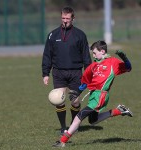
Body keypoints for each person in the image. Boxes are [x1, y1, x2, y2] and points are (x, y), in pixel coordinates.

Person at [52, 40, 133, 147]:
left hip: (101, 96)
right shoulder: (93, 65)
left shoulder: (113, 62)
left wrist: (125, 58)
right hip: (93, 95)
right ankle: (119, 111)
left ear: (102, 51)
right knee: (93, 121)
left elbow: (128, 68)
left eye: (94, 53)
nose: (93, 55)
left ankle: (62, 141)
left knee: (79, 116)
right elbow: (85, 82)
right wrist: (77, 92)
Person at [42, 6, 92, 135]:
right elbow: (47, 55)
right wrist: (45, 73)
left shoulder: (80, 35)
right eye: (63, 18)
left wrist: (89, 73)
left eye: (68, 18)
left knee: (75, 101)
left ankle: (74, 125)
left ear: (73, 19)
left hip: (75, 72)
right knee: (59, 100)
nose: (65, 21)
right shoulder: (53, 35)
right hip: (58, 72)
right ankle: (64, 127)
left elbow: (86, 56)